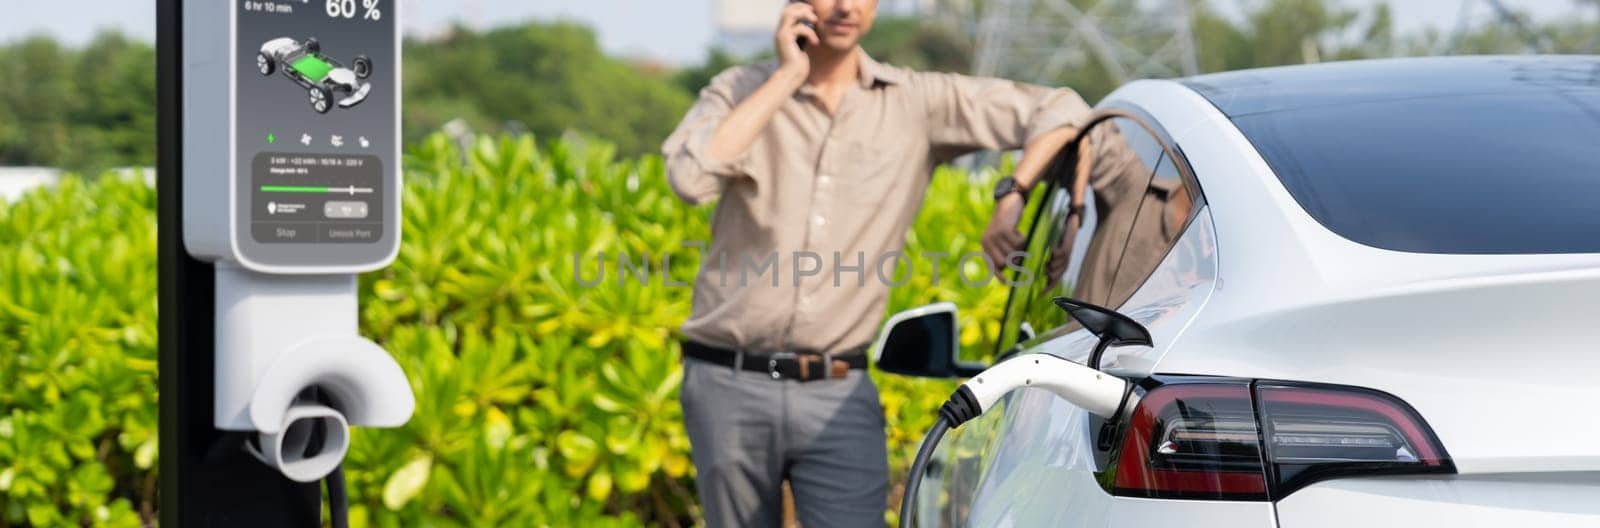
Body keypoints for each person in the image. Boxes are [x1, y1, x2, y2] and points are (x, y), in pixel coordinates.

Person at [662, 0, 1092, 525]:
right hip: (726, 383)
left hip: (838, 391)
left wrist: (1013, 194)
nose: (845, 6)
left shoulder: (919, 101)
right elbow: (689, 179)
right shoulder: (738, 89)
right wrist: (786, 76)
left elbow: (1065, 109)